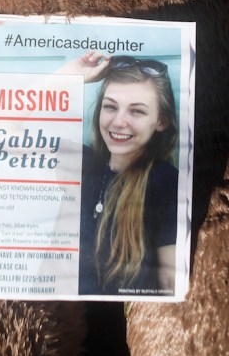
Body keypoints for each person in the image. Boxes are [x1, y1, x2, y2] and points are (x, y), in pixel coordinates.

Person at [60, 51, 180, 295]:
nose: (118, 122)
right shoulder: (84, 162)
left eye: (137, 111)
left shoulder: (166, 181)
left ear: (161, 121)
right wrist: (65, 79)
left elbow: (172, 285)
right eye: (110, 107)